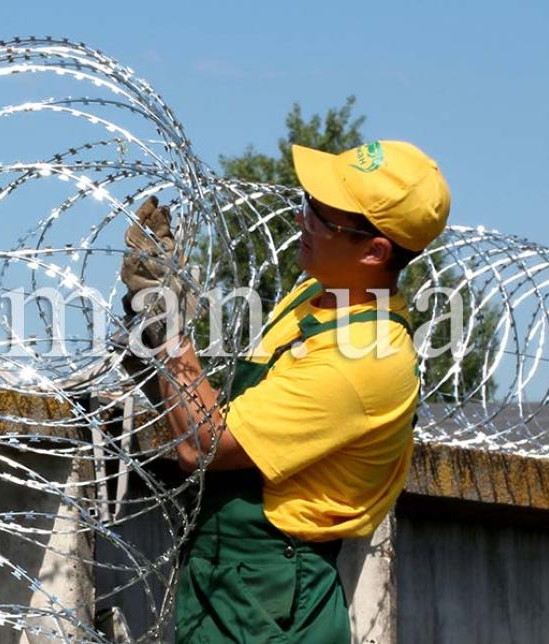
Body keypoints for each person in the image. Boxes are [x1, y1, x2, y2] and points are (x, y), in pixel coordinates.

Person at [120, 140, 451, 643]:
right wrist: (152, 338)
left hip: (270, 596)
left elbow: (204, 444)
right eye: (308, 203)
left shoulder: (366, 357)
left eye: (322, 216)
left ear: (374, 251)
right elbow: (221, 414)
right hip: (232, 576)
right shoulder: (314, 297)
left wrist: (168, 328)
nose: (303, 220)